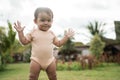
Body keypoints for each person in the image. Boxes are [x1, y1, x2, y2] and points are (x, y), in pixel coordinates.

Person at [14, 7, 74, 80]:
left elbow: (58, 44)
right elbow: (24, 42)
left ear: (52, 21)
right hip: (36, 60)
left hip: (50, 61)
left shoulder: (51, 33)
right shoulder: (33, 32)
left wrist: (66, 37)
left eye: (49, 20)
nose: (46, 23)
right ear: (35, 21)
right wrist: (20, 33)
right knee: (32, 77)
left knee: (53, 77)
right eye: (42, 20)